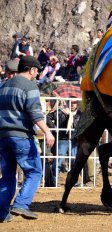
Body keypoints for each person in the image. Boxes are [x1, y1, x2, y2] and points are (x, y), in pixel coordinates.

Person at [0, 56, 55, 222]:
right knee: (34, 171)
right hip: (22, 136)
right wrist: (47, 131)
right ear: (31, 70)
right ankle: (22, 204)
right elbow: (34, 112)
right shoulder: (29, 86)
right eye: (36, 71)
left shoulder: (3, 86)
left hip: (3, 137)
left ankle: (2, 213)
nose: (36, 74)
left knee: (8, 176)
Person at [46, 98, 82, 185]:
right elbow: (47, 117)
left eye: (74, 103)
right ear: (67, 103)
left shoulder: (79, 114)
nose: (73, 104)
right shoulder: (60, 112)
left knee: (74, 161)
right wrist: (55, 129)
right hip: (62, 139)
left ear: (77, 104)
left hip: (74, 140)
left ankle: (74, 181)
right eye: (71, 102)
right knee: (59, 161)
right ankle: (55, 181)